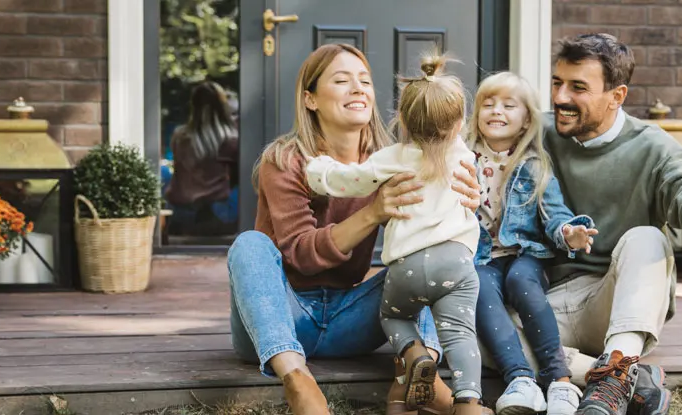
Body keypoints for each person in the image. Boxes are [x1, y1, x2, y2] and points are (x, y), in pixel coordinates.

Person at [494, 33, 682, 415]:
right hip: (542, 303)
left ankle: (619, 365)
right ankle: (623, 381)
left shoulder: (654, 146)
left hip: (614, 304)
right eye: (557, 83)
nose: (560, 97)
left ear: (617, 96)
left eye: (578, 88)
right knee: (474, 326)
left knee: (648, 239)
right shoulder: (537, 133)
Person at [226, 43, 483, 415]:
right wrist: (374, 211)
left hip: (351, 318)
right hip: (281, 316)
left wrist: (466, 197)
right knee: (248, 245)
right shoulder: (284, 160)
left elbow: (452, 217)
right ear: (310, 99)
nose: (358, 88)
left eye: (365, 80)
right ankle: (297, 380)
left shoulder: (396, 159)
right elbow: (301, 254)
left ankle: (417, 370)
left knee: (431, 260)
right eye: (342, 80)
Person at [305, 55, 492, 415]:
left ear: (402, 120)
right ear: (460, 123)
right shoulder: (465, 154)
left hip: (407, 266)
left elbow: (350, 180)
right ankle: (468, 402)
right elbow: (477, 193)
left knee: (394, 317)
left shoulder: (394, 156)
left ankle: (414, 352)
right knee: (459, 334)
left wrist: (318, 169)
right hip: (455, 263)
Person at [464, 71, 598, 415]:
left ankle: (560, 382)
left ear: (525, 122)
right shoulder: (462, 160)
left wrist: (570, 231)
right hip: (481, 257)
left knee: (521, 280)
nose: (497, 111)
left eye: (509, 105)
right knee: (478, 285)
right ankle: (519, 379)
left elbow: (554, 213)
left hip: (525, 253)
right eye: (488, 104)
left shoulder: (534, 166)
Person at [165, 81, 240, 236]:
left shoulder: (179, 136)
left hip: (180, 212)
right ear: (222, 106)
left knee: (162, 172)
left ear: (194, 106)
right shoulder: (232, 139)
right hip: (216, 215)